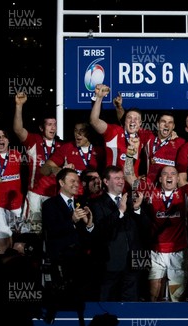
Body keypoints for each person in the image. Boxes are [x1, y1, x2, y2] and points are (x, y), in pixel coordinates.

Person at [124, 142, 188, 302]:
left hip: (178, 252)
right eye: (165, 174)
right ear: (160, 179)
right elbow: (129, 176)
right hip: (156, 252)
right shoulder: (150, 192)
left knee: (177, 298)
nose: (169, 176)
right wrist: (129, 156)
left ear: (178, 178)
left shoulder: (185, 193)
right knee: (153, 296)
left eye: (173, 173)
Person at [89, 165, 151, 301]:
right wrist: (120, 212)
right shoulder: (96, 204)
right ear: (106, 182)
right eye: (117, 178)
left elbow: (147, 228)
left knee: (133, 303)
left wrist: (137, 209)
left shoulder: (133, 201)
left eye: (122, 178)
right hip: (110, 263)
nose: (121, 181)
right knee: (109, 302)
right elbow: (100, 231)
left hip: (137, 261)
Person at [41, 168, 97, 301]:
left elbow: (89, 235)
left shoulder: (83, 203)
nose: (76, 184)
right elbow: (51, 230)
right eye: (72, 181)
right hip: (60, 261)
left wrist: (89, 224)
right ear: (61, 183)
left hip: (81, 261)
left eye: (77, 181)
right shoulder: (50, 204)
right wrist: (71, 220)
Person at [13, 92, 62, 230]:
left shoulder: (62, 146)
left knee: (52, 232)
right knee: (32, 231)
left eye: (55, 124)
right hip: (34, 194)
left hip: (53, 195)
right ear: (41, 127)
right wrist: (19, 106)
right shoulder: (33, 140)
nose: (53, 127)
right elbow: (17, 129)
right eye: (49, 124)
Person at [90, 83, 152, 176]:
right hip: (112, 184)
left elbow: (162, 135)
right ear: (124, 121)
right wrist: (99, 98)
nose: (132, 121)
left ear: (140, 124)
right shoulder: (114, 131)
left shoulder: (143, 136)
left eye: (136, 119)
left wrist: (172, 134)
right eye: (129, 118)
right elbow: (94, 121)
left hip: (132, 184)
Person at [40, 122, 105, 197]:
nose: (78, 133)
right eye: (76, 130)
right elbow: (44, 170)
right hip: (71, 196)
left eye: (82, 130)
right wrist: (60, 171)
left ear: (89, 133)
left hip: (93, 197)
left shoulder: (99, 151)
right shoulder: (67, 148)